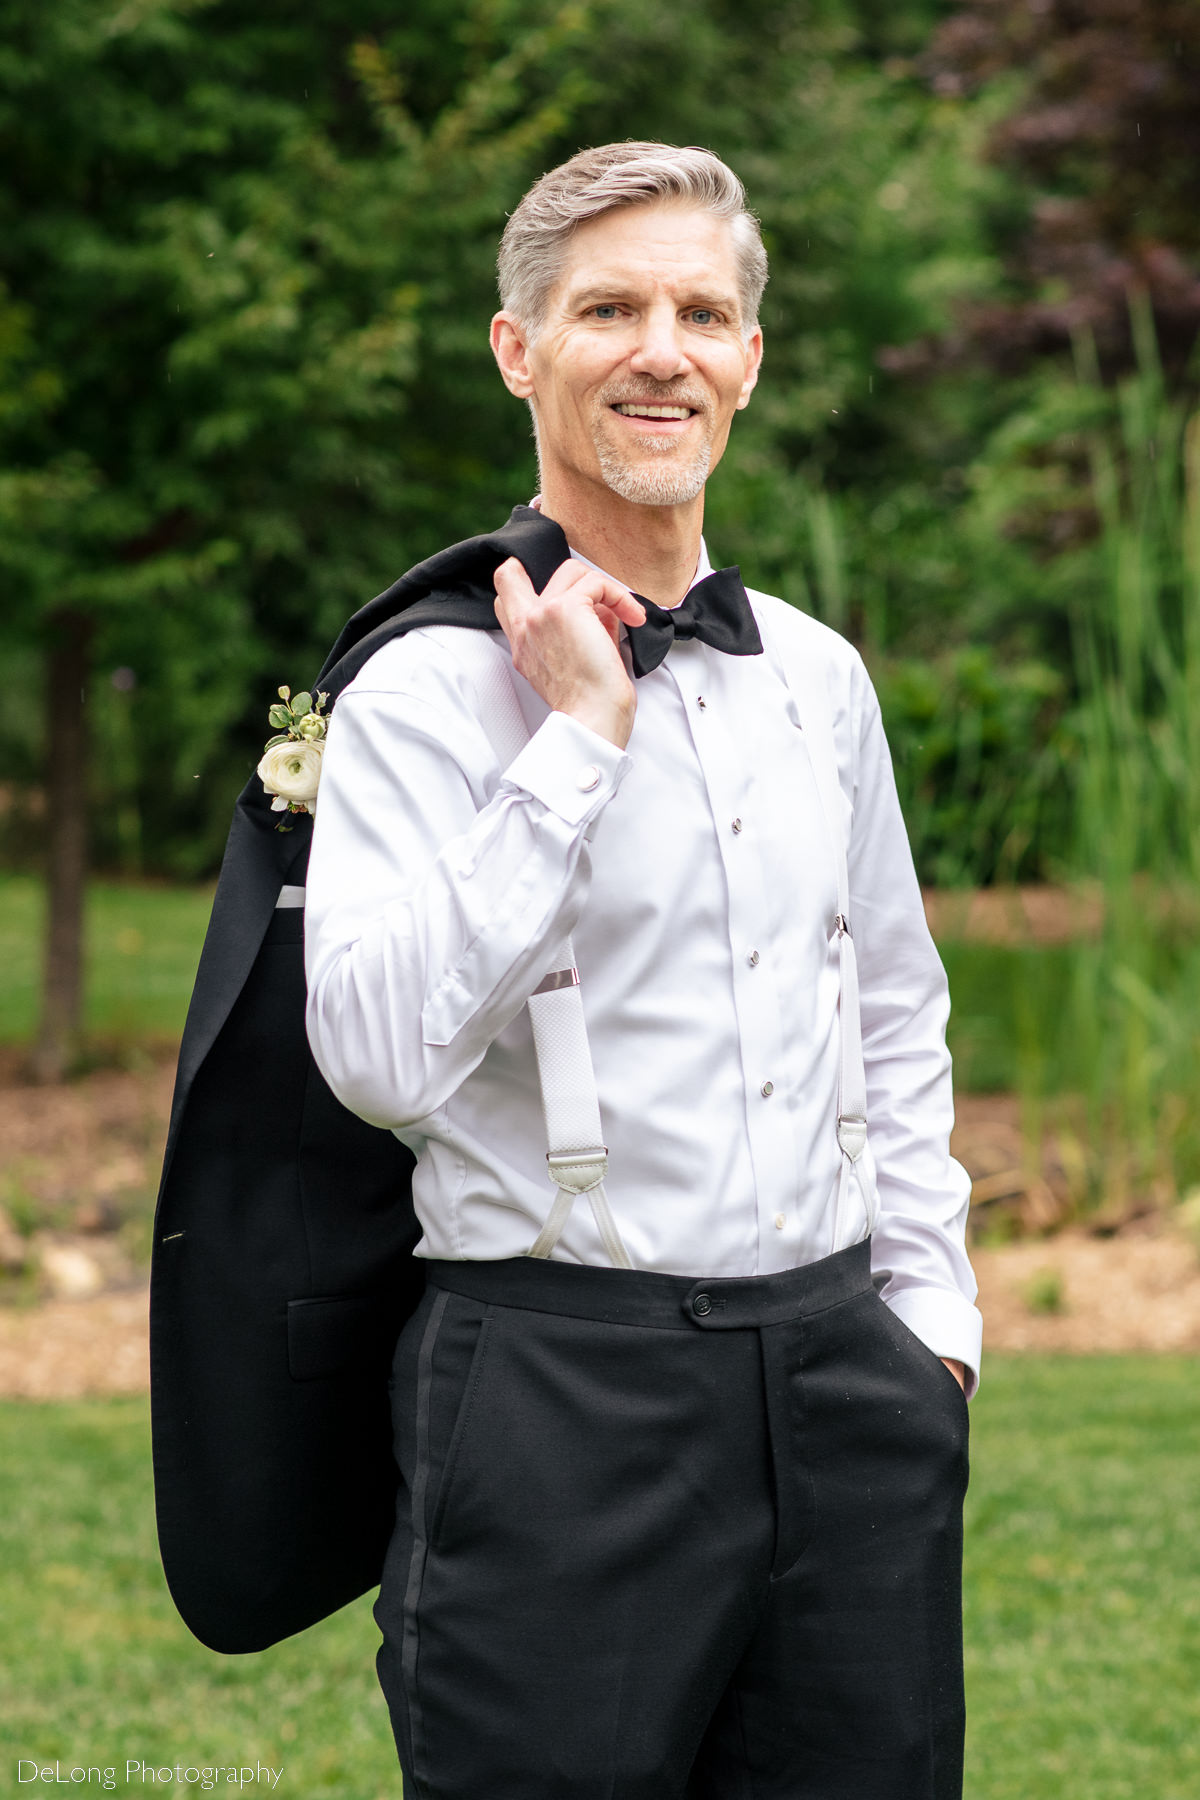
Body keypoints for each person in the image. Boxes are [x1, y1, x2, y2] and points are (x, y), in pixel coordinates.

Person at [304, 140, 982, 1800]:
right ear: (519, 349)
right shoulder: (419, 693)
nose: (660, 349)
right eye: (608, 308)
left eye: (701, 310)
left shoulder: (818, 679)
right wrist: (577, 748)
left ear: (750, 355)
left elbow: (890, 1007)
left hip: (849, 1387)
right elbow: (376, 1060)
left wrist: (933, 1326)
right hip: (557, 1394)